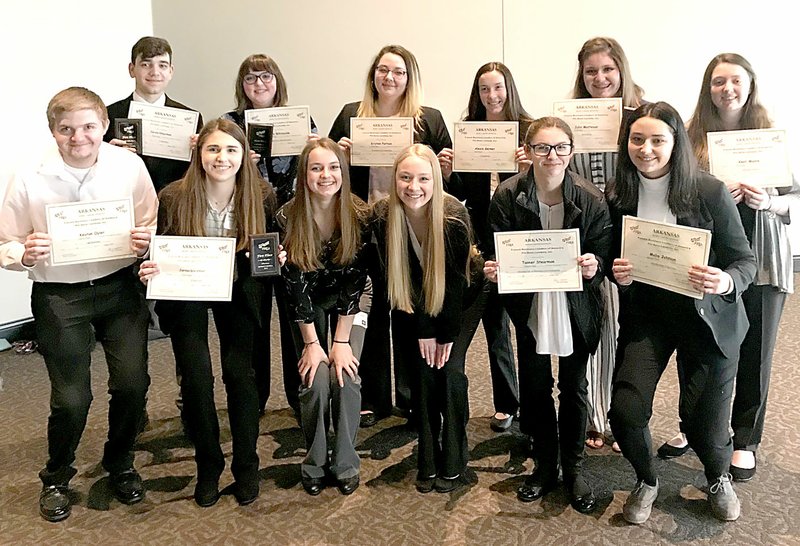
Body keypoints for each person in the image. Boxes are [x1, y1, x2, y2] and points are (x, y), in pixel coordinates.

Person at [0, 87, 158, 522]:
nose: (79, 137)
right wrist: (22, 255)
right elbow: (6, 240)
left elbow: (150, 219)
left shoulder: (128, 164)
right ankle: (56, 475)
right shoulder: (30, 175)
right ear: (53, 130)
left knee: (132, 384)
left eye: (89, 126)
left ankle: (120, 462)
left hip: (118, 288)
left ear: (104, 125)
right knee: (71, 398)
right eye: (67, 129)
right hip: (60, 295)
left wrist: (147, 241)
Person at [606, 102, 756, 523]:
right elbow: (605, 255)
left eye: (658, 140)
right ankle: (647, 479)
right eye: (637, 139)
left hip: (708, 320)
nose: (647, 149)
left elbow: (744, 262)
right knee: (626, 411)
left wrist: (723, 280)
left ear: (676, 143)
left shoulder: (709, 191)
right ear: (626, 143)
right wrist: (613, 269)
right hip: (649, 317)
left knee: (704, 428)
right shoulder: (619, 194)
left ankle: (717, 476)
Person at [658, 53, 799, 478]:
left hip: (764, 258)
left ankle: (744, 438)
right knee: (697, 342)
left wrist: (769, 201)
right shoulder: (690, 135)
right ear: (708, 88)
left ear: (750, 85)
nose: (727, 89)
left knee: (755, 350)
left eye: (735, 81)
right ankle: (693, 425)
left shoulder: (771, 136)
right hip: (706, 258)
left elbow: (795, 197)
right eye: (718, 82)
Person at [139, 119, 277, 507]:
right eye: (213, 149)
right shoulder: (174, 196)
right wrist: (151, 267)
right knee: (197, 378)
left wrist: (273, 258)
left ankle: (246, 465)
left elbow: (266, 252)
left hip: (240, 288)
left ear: (243, 156)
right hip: (190, 292)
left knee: (241, 374)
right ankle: (209, 464)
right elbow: (161, 251)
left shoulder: (261, 194)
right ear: (199, 153)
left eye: (231, 150)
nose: (222, 158)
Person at [485, 117, 611, 514]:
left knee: (574, 388)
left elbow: (603, 253)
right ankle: (543, 465)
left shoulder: (591, 198)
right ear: (528, 152)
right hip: (530, 304)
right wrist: (495, 267)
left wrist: (595, 266)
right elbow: (496, 248)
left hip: (577, 304)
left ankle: (574, 468)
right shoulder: (507, 196)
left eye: (559, 147)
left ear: (571, 152)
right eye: (542, 147)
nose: (551, 155)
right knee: (536, 388)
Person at [329, 44, 451, 426]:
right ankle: (373, 397)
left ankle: (413, 396)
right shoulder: (352, 115)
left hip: (410, 224)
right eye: (383, 70)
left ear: (409, 78)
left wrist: (446, 165)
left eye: (398, 72)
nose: (390, 78)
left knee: (410, 308)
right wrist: (342, 154)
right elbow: (330, 171)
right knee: (372, 310)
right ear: (373, 75)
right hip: (366, 225)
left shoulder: (427, 119)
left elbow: (450, 177)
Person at [372, 144, 486, 493]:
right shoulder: (382, 216)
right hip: (410, 305)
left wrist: (442, 335)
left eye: (423, 178)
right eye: (405, 177)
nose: (413, 186)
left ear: (436, 180)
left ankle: (454, 456)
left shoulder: (452, 216)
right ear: (395, 180)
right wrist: (422, 329)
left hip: (461, 303)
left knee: (450, 373)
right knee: (422, 376)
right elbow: (396, 278)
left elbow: (454, 284)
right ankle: (428, 455)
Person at [222, 53, 319, 418]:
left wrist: (313, 145)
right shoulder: (230, 125)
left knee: (297, 310)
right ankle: (255, 397)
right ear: (241, 86)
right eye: (250, 79)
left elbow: (311, 175)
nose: (259, 84)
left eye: (266, 77)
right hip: (251, 230)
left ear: (277, 80)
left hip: (293, 229)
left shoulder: (298, 120)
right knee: (254, 315)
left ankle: (301, 396)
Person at [437, 62, 531, 432]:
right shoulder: (469, 132)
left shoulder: (528, 130)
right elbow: (461, 192)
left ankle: (526, 403)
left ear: (510, 88)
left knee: (521, 325)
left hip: (518, 238)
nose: (492, 96)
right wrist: (447, 174)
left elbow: (544, 188)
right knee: (492, 324)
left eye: (498, 88)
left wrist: (530, 168)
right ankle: (506, 403)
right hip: (478, 240)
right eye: (484, 90)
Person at [275, 138, 371, 496]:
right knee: (315, 377)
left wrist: (341, 341)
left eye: (333, 167)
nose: (325, 175)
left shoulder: (359, 215)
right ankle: (314, 460)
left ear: (343, 173)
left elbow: (355, 282)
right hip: (307, 299)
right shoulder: (286, 216)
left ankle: (345, 461)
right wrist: (313, 344)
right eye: (316, 168)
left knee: (345, 374)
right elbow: (293, 282)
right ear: (304, 175)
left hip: (354, 298)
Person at [570, 36, 645, 452]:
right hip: (592, 234)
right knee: (598, 323)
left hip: (634, 234)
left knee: (632, 328)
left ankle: (626, 414)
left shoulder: (641, 115)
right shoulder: (571, 118)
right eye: (591, 71)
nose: (600, 78)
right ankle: (599, 416)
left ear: (621, 70)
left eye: (608, 69)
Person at [104, 36, 204, 193]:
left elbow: (199, 173)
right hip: (126, 200)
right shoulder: (107, 115)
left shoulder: (191, 118)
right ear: (131, 69)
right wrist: (107, 155)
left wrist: (202, 152)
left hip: (176, 203)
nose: (155, 72)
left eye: (162, 65)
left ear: (171, 71)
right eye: (146, 64)